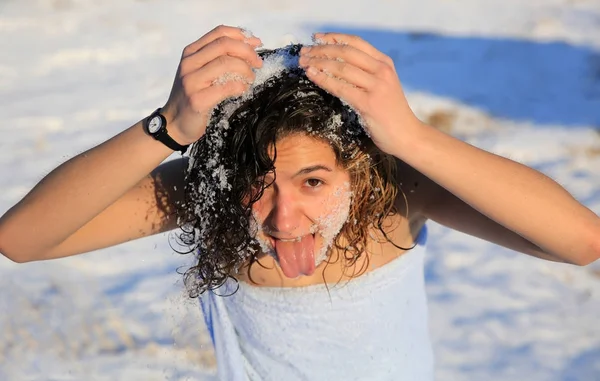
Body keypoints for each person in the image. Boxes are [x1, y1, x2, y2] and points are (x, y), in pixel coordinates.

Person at [0, 25, 598, 380]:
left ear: (358, 167)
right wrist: (167, 128)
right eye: (256, 186)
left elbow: (580, 242)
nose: (284, 220)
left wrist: (411, 137)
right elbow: (21, 241)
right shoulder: (210, 195)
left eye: (313, 182)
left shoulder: (395, 193)